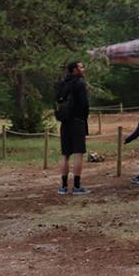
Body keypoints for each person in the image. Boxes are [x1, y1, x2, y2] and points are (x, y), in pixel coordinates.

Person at [55, 61, 90, 196]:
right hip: (77, 121)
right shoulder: (80, 83)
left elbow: (57, 100)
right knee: (78, 152)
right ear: (75, 70)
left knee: (65, 154)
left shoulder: (62, 83)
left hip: (65, 121)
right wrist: (83, 118)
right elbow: (84, 104)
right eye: (81, 67)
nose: (83, 69)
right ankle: (76, 186)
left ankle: (63, 187)